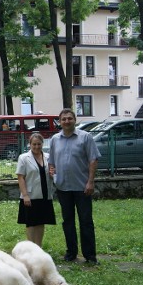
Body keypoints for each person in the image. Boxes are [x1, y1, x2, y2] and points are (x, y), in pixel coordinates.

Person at [48, 108, 101, 265]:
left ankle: (90, 256)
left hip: (82, 187)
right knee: (68, 221)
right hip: (63, 187)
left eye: (69, 118)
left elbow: (93, 160)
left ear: (75, 120)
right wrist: (53, 173)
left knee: (86, 221)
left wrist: (90, 181)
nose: (67, 121)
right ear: (60, 121)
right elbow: (51, 162)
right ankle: (71, 253)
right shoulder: (54, 139)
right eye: (63, 119)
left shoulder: (86, 137)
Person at [15, 132, 56, 246]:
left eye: (39, 144)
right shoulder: (23, 158)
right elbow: (20, 177)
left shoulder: (48, 157)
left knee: (41, 222)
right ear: (30, 144)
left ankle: (39, 247)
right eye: (34, 144)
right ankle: (31, 247)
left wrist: (53, 174)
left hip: (45, 194)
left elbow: (51, 174)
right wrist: (25, 195)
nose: (37, 147)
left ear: (42, 144)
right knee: (31, 223)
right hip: (30, 196)